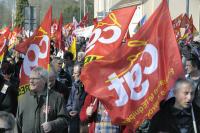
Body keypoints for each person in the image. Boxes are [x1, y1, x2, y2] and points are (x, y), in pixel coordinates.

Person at [16, 66, 68, 133]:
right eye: (30, 78)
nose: (31, 81)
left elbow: (65, 120)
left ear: (44, 80)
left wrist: (52, 125)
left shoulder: (56, 97)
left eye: (34, 78)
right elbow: (18, 123)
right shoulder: (23, 98)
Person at [66, 63, 87, 133]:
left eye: (75, 73)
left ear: (81, 74)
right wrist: (70, 111)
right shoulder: (74, 86)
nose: (73, 75)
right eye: (73, 73)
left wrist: (78, 112)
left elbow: (87, 105)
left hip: (83, 123)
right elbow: (69, 102)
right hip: (73, 121)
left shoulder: (87, 87)